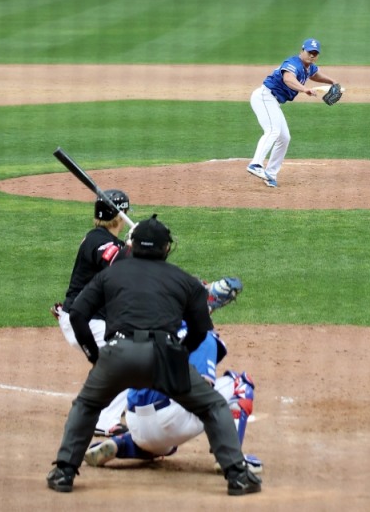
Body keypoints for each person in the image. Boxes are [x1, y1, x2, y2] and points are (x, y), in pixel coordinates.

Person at [45, 215, 261, 497]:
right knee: (213, 406)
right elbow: (200, 329)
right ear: (166, 248)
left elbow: (77, 315)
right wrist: (180, 355)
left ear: (131, 245)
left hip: (118, 354)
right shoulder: (183, 279)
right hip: (165, 356)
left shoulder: (110, 275)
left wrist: (95, 356)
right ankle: (237, 476)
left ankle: (64, 472)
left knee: (86, 405)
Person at [83, 327, 261, 476]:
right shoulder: (202, 336)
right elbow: (204, 394)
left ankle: (123, 443)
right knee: (240, 384)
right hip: (169, 421)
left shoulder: (146, 327)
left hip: (135, 421)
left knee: (166, 443)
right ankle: (231, 457)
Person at [51, 188, 132, 436]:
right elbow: (118, 262)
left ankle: (96, 406)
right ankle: (104, 419)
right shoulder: (100, 241)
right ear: (120, 216)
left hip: (88, 319)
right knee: (132, 358)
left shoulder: (101, 238)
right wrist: (133, 244)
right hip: (85, 322)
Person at [246, 37, 338, 189]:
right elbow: (288, 79)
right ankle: (255, 164)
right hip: (264, 97)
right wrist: (304, 89)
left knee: (284, 138)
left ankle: (270, 174)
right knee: (273, 130)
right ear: (302, 50)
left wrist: (333, 82)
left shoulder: (309, 67)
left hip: (273, 102)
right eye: (309, 52)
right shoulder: (293, 63)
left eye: (315, 53)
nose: (312, 55)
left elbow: (315, 75)